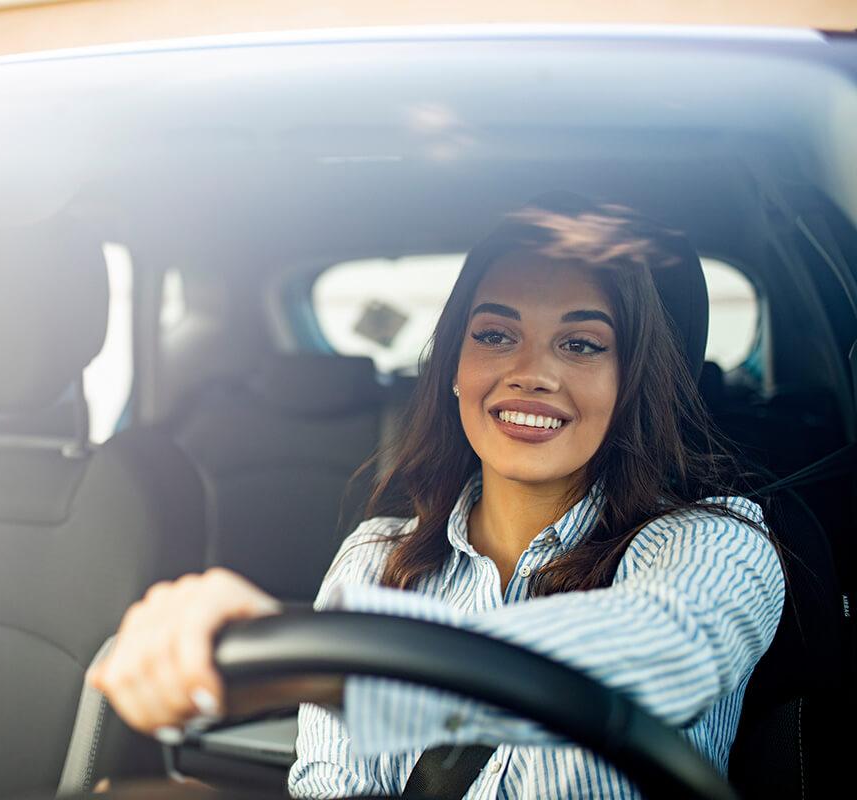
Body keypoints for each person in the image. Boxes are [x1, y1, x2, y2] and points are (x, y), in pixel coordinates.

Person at [85, 193, 785, 799]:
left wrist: (334, 669)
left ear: (629, 382)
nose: (530, 373)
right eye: (495, 335)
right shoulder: (374, 561)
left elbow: (669, 653)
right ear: (455, 366)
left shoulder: (717, 543)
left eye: (579, 344)